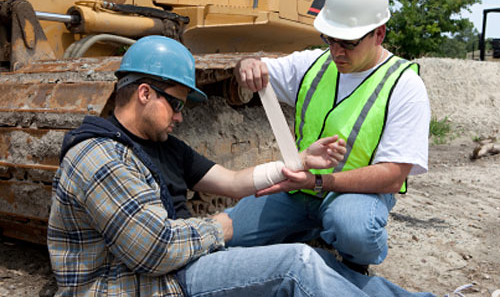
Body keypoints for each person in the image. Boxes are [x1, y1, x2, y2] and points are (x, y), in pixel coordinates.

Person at [47, 35, 434, 296]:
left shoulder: (164, 146)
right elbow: (155, 251)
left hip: (178, 263)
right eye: (177, 103)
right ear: (145, 93)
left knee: (312, 259)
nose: (181, 116)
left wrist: (297, 162)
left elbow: (232, 181)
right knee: (295, 262)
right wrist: (221, 227)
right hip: (143, 284)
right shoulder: (100, 156)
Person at [227, 0, 431, 274]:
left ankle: (354, 261)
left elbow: (393, 176)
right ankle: (312, 229)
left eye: (348, 42)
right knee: (231, 236)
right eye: (330, 39)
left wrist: (320, 181)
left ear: (379, 34)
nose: (336, 51)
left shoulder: (404, 86)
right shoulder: (315, 64)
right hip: (299, 190)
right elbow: (256, 68)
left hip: (354, 196)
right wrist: (247, 65)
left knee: (354, 229)